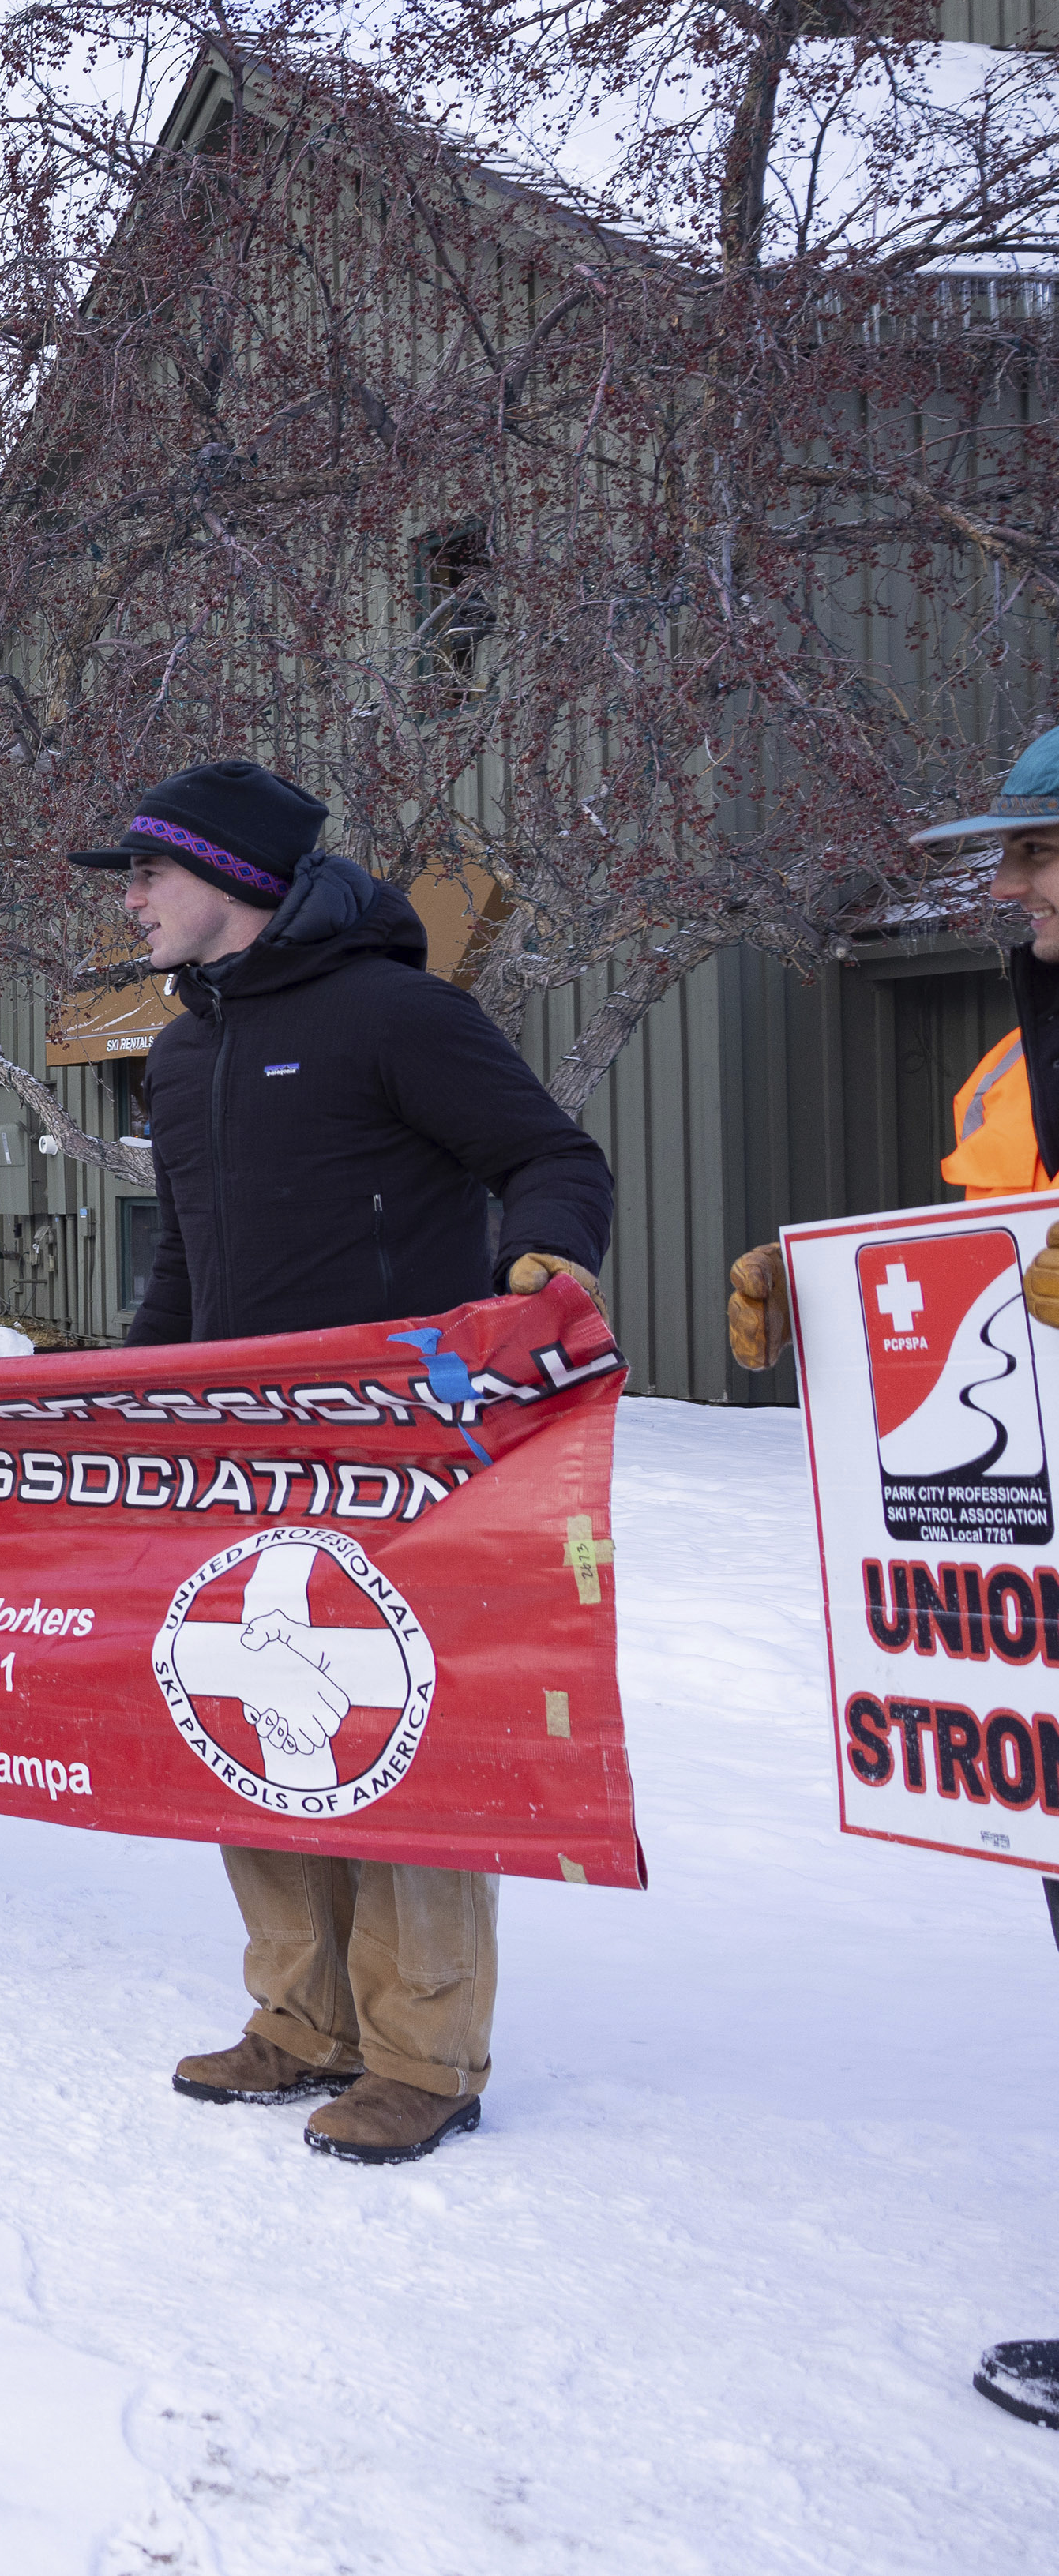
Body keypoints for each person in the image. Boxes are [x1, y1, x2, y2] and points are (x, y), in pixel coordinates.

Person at [77, 760, 614, 2166]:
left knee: (401, 1737)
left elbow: (553, 1157)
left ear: (234, 879)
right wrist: (135, 1400)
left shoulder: (398, 1012)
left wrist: (540, 1267)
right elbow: (186, 1255)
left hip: (403, 1455)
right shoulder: (185, 1048)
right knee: (249, 1715)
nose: (128, 901)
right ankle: (300, 2021)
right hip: (241, 1449)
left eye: (147, 875)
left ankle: (424, 2053)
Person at [722, 725, 1059, 2426]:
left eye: (1040, 855)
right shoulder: (1021, 1045)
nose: (1006, 885)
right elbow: (980, 1265)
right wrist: (821, 1286)